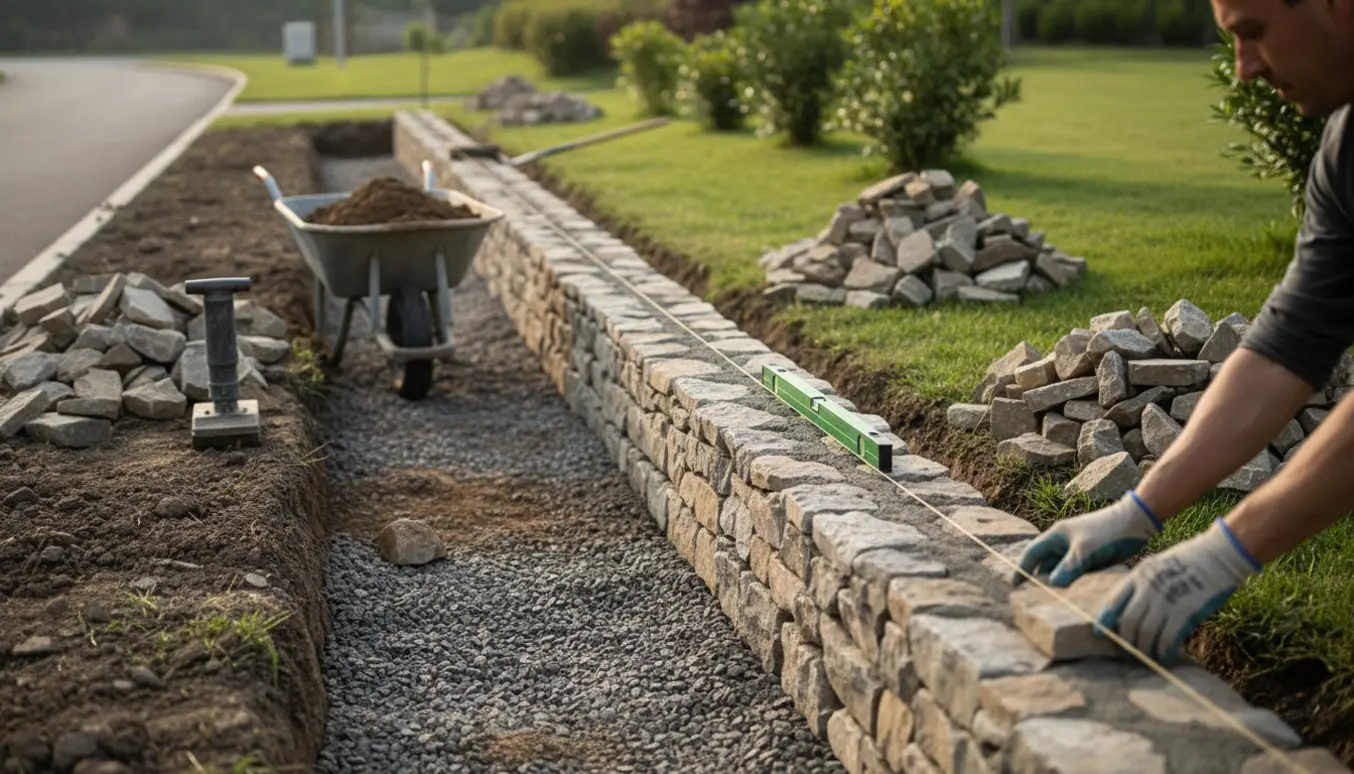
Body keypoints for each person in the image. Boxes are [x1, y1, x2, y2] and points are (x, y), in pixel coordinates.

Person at [1014, 0, 1354, 665]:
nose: (1244, 69)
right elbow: (1290, 343)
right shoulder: (1346, 150)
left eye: (1253, 32)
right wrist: (1140, 509)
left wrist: (1225, 551)